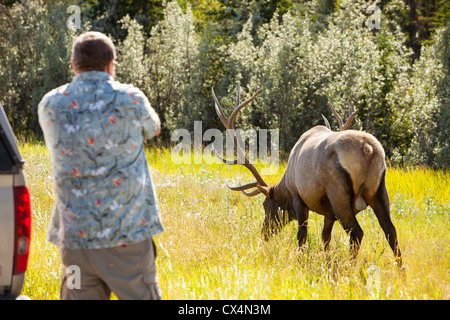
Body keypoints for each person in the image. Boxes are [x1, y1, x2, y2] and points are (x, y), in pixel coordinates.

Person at [38, 31, 164, 300]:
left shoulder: (50, 104)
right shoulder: (131, 98)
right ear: (112, 64)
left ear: (73, 65)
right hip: (128, 235)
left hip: (75, 239)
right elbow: (154, 129)